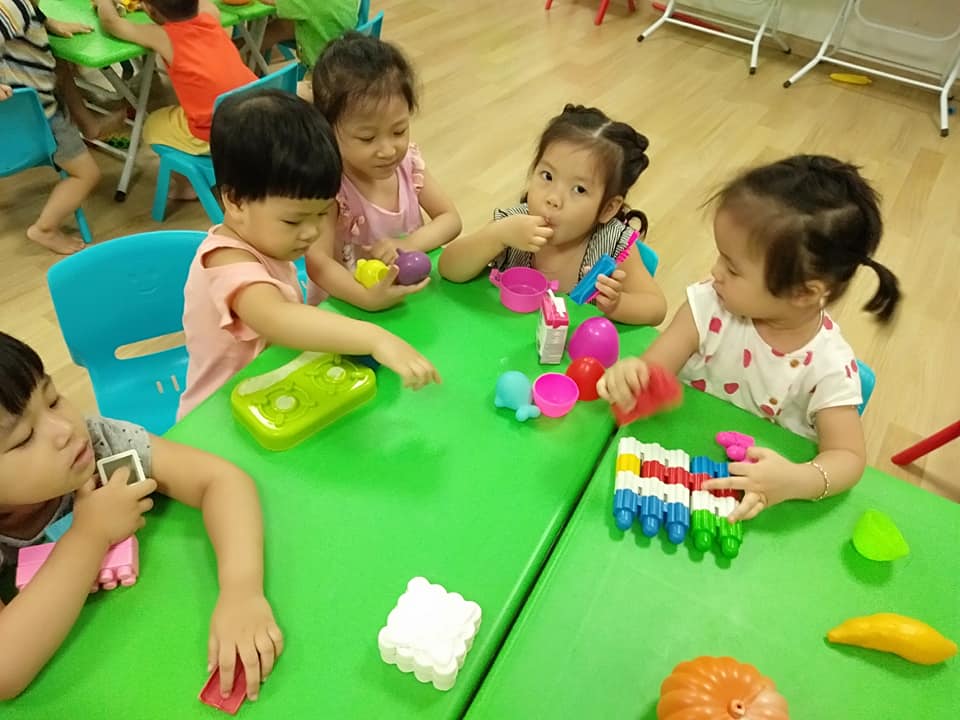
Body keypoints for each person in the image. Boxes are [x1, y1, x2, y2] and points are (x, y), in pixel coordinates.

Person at [598, 155, 901, 521]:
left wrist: (795, 480)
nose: (715, 271)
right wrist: (633, 376)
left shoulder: (829, 367)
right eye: (720, 257)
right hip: (675, 467)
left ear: (803, 292)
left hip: (758, 501)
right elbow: (653, 369)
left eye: (732, 267)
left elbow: (848, 458)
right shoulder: (709, 305)